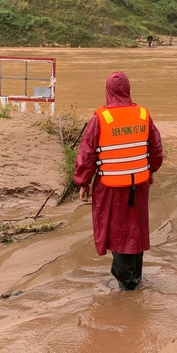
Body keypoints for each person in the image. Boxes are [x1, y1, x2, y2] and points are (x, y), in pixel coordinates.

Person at [73, 71, 163, 291]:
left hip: (111, 188)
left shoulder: (101, 118)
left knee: (117, 232)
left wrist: (83, 182)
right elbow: (156, 149)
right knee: (135, 229)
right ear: (127, 89)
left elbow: (87, 154)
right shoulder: (143, 114)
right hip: (139, 184)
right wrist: (150, 170)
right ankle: (136, 279)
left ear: (108, 91)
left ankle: (126, 285)